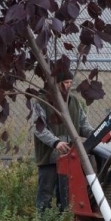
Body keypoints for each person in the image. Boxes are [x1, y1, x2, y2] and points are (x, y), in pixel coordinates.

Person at [32, 69, 94, 212]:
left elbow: (83, 126)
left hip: (69, 159)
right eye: (65, 82)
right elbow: (39, 129)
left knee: (65, 199)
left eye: (70, 82)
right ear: (56, 83)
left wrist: (95, 134)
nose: (68, 86)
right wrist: (56, 143)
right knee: (45, 197)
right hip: (49, 159)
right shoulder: (42, 101)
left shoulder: (74, 102)